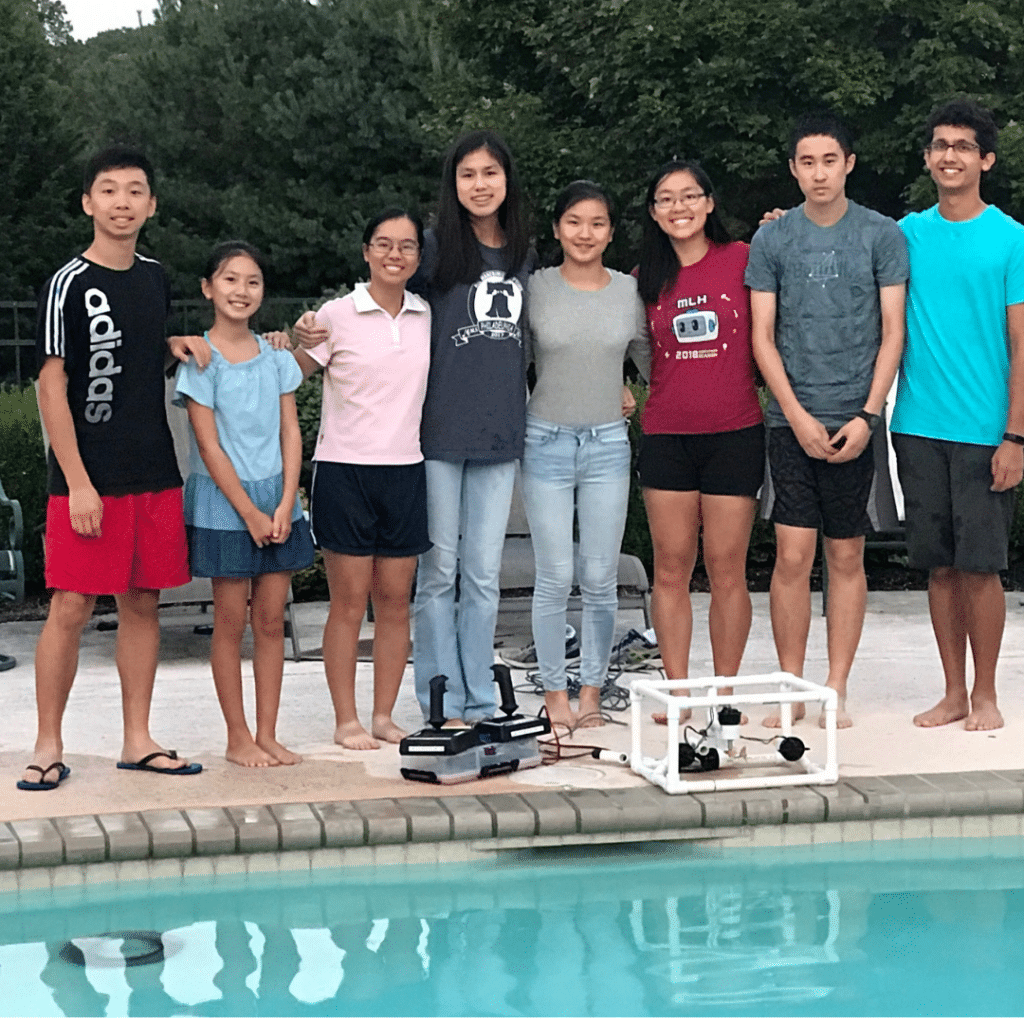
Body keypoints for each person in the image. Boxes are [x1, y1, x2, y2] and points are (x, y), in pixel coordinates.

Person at [21, 143, 207, 791]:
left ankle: (138, 738)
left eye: (135, 190)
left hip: (153, 470)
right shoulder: (67, 283)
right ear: (87, 203)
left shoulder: (155, 277)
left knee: (144, 603)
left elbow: (133, 354)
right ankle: (47, 744)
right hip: (84, 481)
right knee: (70, 606)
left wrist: (171, 346)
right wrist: (76, 482)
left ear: (151, 204)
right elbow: (51, 386)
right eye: (109, 190)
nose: (122, 201)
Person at [747, 112, 908, 729]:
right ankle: (791, 686)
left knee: (846, 557)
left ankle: (834, 687)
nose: (819, 172)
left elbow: (893, 333)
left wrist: (869, 415)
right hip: (790, 423)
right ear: (793, 168)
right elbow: (763, 337)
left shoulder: (880, 235)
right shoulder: (774, 239)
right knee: (791, 556)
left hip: (858, 420)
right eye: (807, 162)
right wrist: (794, 414)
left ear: (849, 164)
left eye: (830, 160)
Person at [891, 98, 1024, 732]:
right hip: (916, 425)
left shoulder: (1011, 238)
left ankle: (989, 695)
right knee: (939, 566)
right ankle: (952, 693)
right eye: (940, 145)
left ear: (986, 159)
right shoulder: (906, 234)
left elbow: (1023, 345)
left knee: (982, 567)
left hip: (984, 432)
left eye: (963, 146)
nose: (950, 155)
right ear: (927, 158)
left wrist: (1015, 436)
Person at [409, 129, 536, 726]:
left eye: (490, 173)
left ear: (506, 180)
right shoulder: (431, 251)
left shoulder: (526, 254)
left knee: (483, 575)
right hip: (436, 432)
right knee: (438, 572)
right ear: (453, 184)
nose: (480, 184)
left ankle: (480, 698)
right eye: (468, 174)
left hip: (500, 433)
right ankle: (439, 698)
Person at [293, 210, 431, 749]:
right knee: (348, 602)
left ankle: (382, 717)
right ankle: (345, 719)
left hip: (407, 471)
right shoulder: (337, 314)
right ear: (366, 252)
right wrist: (289, 337)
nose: (395, 255)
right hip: (345, 471)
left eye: (407, 246)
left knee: (396, 601)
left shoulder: (427, 315)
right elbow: (289, 373)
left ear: (419, 256)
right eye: (383, 244)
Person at [175, 241, 315, 767]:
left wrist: (285, 502)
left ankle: (268, 732)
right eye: (230, 279)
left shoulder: (277, 356)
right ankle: (237, 736)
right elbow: (208, 447)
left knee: (272, 620)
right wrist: (249, 513)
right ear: (209, 288)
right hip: (225, 504)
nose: (242, 290)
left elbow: (291, 434)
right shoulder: (200, 361)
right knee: (231, 620)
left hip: (276, 499)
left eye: (252, 281)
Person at [636, 160, 765, 724]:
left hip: (735, 431)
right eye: (666, 199)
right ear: (653, 212)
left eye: (690, 195)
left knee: (727, 567)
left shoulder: (743, 258)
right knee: (670, 567)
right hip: (666, 435)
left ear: (709, 202)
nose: (679, 207)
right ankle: (680, 689)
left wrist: (782, 221)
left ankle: (725, 688)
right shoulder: (642, 278)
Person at [517, 180, 649, 729]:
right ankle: (554, 697)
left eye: (597, 223)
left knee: (599, 577)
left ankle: (592, 692)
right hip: (544, 441)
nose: (585, 233)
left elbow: (650, 360)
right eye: (574, 222)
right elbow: (507, 360)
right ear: (556, 229)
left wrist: (633, 397)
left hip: (607, 447)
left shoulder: (627, 291)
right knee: (553, 575)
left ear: (611, 232)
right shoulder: (535, 288)